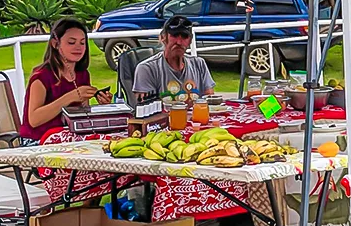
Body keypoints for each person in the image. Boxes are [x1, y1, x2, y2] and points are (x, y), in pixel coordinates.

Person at [20, 18, 111, 146]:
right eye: (71, 42)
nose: (78, 47)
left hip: (69, 136)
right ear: (55, 44)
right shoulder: (41, 77)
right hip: (37, 140)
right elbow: (34, 120)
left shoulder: (82, 75)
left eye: (82, 43)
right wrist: (70, 97)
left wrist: (102, 104)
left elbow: (82, 114)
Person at [133, 15, 215, 103]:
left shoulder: (199, 64)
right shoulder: (147, 69)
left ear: (190, 41)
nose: (179, 42)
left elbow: (209, 101)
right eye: (174, 35)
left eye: (185, 36)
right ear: (163, 37)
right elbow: (145, 108)